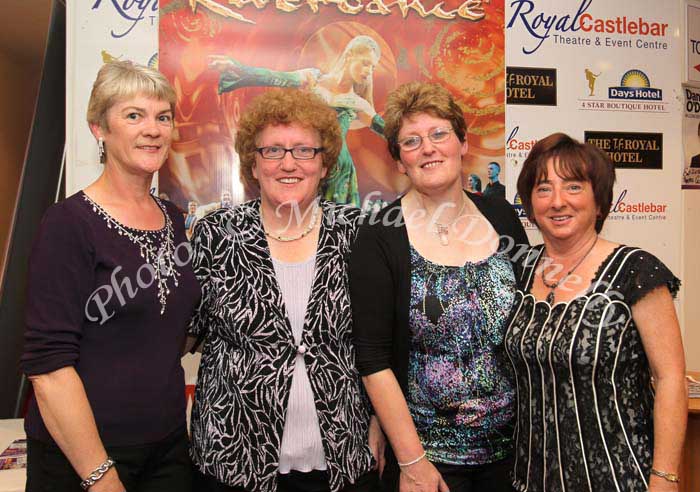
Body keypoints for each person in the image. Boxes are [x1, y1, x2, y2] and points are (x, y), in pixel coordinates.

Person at [188, 88, 384, 492]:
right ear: (253, 165)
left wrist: (382, 420)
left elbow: (383, 343)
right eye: (273, 151)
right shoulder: (215, 235)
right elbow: (182, 334)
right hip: (234, 458)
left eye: (304, 150)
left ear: (325, 163)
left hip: (343, 457)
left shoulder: (359, 234)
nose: (288, 164)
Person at [20, 61, 201, 492]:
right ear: (99, 128)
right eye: (133, 115)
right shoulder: (68, 224)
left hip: (169, 449)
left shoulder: (174, 219)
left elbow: (165, 327)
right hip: (83, 460)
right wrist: (99, 475)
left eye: (163, 117)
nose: (153, 129)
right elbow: (48, 367)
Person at [350, 82, 529, 492]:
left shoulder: (501, 215)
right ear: (398, 161)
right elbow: (373, 358)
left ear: (463, 142)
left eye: (439, 134)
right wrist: (412, 462)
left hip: (513, 455)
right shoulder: (380, 234)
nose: (428, 148)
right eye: (411, 141)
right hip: (430, 465)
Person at [507, 133, 687, 492]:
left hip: (618, 477)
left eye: (573, 187)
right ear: (529, 205)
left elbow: (670, 379)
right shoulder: (520, 270)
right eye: (543, 190)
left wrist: (665, 478)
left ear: (600, 201)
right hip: (530, 479)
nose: (557, 202)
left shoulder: (635, 270)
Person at [209, 35, 386, 207]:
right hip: (303, 160)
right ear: (349, 55)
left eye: (373, 67)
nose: (368, 71)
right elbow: (272, 76)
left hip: (338, 170)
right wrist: (237, 69)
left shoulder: (360, 104)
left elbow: (391, 133)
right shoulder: (313, 79)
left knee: (336, 229)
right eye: (365, 63)